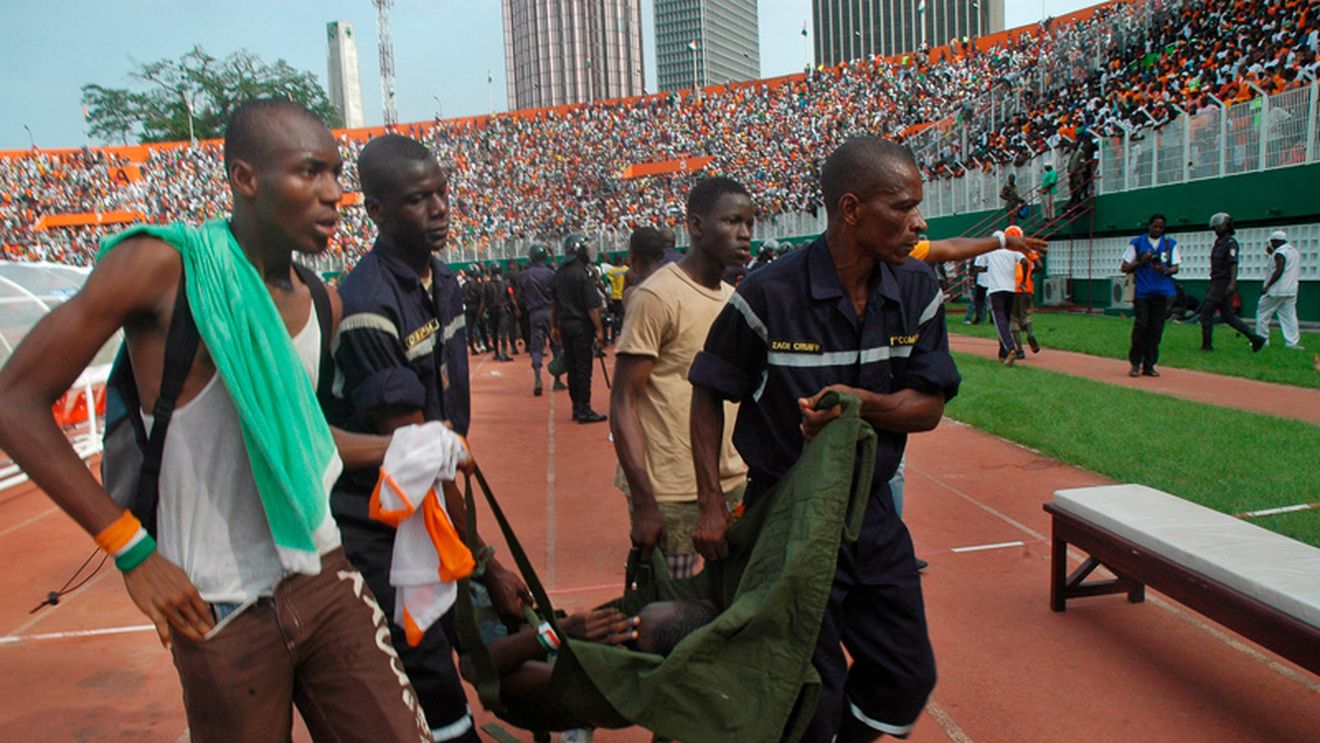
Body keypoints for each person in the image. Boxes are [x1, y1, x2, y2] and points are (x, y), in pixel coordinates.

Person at [0, 100, 434, 741]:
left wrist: (414, 447)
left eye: (336, 174)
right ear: (245, 178)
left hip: (323, 576)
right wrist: (130, 549)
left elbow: (301, 442)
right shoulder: (162, 270)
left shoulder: (324, 302)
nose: (333, 194)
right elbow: (15, 402)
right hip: (218, 608)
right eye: (310, 172)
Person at [689, 136, 960, 742]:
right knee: (810, 686)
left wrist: (863, 405)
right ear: (851, 210)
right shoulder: (768, 293)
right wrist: (710, 500)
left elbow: (929, 407)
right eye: (903, 206)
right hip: (783, 516)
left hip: (870, 514)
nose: (919, 221)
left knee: (907, 672)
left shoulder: (917, 290)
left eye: (918, 205)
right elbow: (709, 390)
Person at [329, 133, 531, 743]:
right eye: (419, 199)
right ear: (377, 211)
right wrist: (487, 564)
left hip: (431, 515)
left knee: (470, 650)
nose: (440, 207)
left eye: (443, 191)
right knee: (429, 689)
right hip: (382, 532)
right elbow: (415, 460)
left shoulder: (443, 283)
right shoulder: (367, 304)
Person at [611, 177, 752, 580]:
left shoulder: (732, 301)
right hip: (670, 491)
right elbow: (623, 402)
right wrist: (645, 502)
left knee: (732, 604)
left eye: (749, 223)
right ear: (695, 225)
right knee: (669, 619)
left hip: (730, 481)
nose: (743, 234)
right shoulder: (656, 297)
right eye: (731, 221)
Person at [552, 233, 607, 423]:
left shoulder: (560, 272)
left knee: (572, 367)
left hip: (564, 324)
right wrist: (599, 330)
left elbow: (554, 303)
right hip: (581, 326)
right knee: (584, 368)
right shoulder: (582, 274)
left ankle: (576, 407)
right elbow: (592, 307)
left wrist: (554, 327)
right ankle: (585, 409)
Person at [1121, 214, 1180, 376]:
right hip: (1142, 292)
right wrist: (1141, 261)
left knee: (1156, 329)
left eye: (1161, 227)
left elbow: (1176, 267)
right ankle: (1135, 363)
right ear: (1149, 226)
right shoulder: (1137, 243)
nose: (1158, 230)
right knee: (1141, 326)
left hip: (1162, 292)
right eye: (1155, 226)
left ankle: (1149, 364)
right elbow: (1124, 267)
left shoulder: (1170, 244)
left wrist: (1165, 270)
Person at [1201, 212, 1266, 353]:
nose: (1216, 229)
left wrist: (1232, 283)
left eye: (1219, 226)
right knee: (1228, 316)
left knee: (1206, 314)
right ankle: (1256, 339)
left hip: (1223, 283)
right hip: (1216, 281)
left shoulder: (1230, 243)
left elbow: (1233, 264)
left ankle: (1207, 346)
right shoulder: (1218, 243)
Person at [522, 243, 562, 395]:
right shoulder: (550, 274)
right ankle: (557, 379)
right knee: (556, 346)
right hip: (550, 312)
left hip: (534, 313)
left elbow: (521, 292)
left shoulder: (525, 274)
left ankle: (538, 376)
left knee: (536, 347)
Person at [1255, 230, 1303, 350]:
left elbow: (1279, 269)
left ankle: (1262, 340)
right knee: (1289, 317)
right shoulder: (1294, 251)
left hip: (1276, 290)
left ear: (1275, 241)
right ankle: (1292, 343)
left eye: (1272, 242)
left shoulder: (1279, 253)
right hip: (1291, 289)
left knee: (1263, 313)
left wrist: (1267, 286)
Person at [982, 233, 1024, 366]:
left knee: (999, 320)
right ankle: (1002, 353)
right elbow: (1025, 261)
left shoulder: (989, 251)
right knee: (1005, 319)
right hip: (1011, 289)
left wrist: (986, 269)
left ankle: (1010, 348)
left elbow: (977, 267)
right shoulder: (1012, 251)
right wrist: (1022, 281)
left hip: (995, 289)